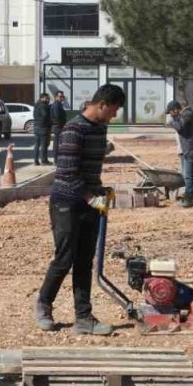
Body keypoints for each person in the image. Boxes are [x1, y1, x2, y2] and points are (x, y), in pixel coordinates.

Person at [35, 84, 125, 335]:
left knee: (85, 261)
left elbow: (89, 164)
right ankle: (43, 305)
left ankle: (83, 318)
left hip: (90, 202)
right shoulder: (73, 129)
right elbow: (68, 171)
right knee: (65, 259)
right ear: (102, 104)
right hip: (66, 201)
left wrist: (100, 190)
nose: (114, 116)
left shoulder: (100, 128)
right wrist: (90, 197)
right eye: (114, 110)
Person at [165, 100, 193, 207]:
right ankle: (191, 196)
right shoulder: (183, 116)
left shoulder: (188, 114)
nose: (171, 115)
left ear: (176, 109)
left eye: (171, 112)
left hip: (192, 149)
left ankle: (188, 199)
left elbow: (180, 127)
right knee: (188, 175)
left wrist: (171, 121)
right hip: (187, 150)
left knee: (187, 176)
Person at [32, 93, 52, 166]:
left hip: (36, 126)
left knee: (37, 144)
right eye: (47, 98)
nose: (48, 100)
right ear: (42, 98)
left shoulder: (36, 105)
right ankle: (44, 160)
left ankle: (35, 160)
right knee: (44, 145)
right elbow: (45, 116)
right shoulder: (43, 105)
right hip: (43, 127)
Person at [49, 91, 69, 161]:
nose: (61, 98)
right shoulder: (56, 105)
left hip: (59, 125)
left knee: (59, 142)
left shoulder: (59, 104)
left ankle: (58, 158)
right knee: (57, 143)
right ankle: (56, 159)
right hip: (58, 126)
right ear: (56, 97)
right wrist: (62, 124)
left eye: (62, 97)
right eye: (60, 96)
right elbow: (57, 116)